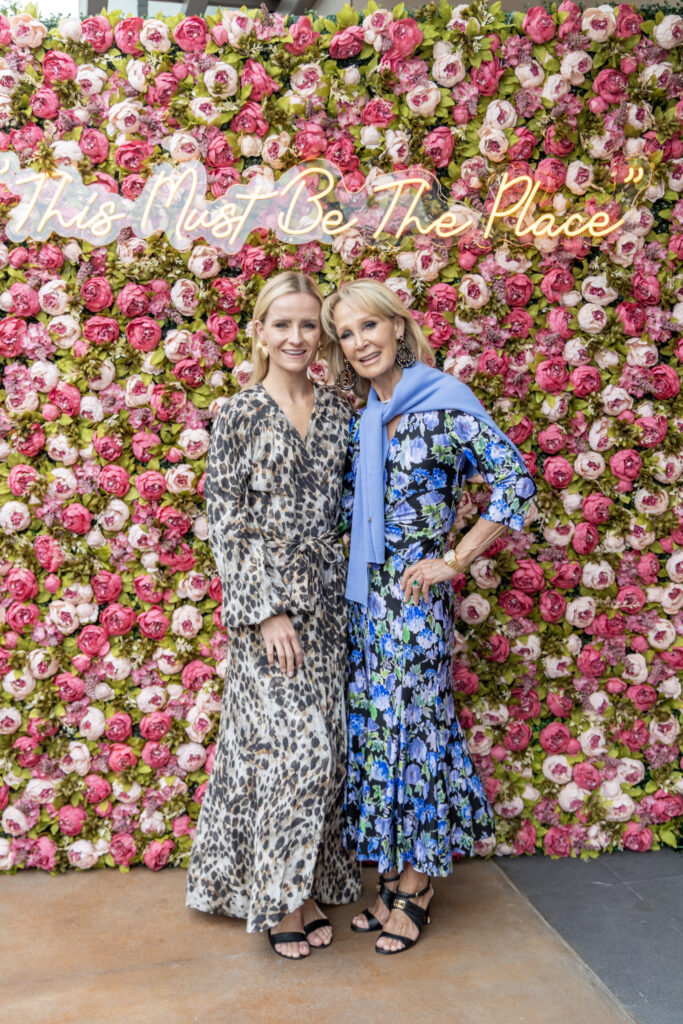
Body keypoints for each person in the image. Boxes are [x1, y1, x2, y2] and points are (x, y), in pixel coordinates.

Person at [321, 280, 536, 956]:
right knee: (381, 736)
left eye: (366, 327)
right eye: (345, 334)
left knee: (415, 735)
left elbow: (513, 481)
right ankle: (389, 881)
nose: (358, 343)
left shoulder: (441, 403)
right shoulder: (367, 415)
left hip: (413, 605)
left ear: (396, 326)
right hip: (366, 604)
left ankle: (416, 886)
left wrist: (456, 558)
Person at [186, 271, 361, 960]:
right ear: (258, 330)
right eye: (281, 323)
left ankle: (302, 881)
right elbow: (226, 522)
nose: (295, 336)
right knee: (295, 752)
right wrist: (264, 614)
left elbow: (356, 511)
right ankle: (283, 900)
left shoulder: (340, 413)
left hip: (330, 608)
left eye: (307, 324)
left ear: (321, 334)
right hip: (269, 617)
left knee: (328, 754)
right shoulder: (237, 413)